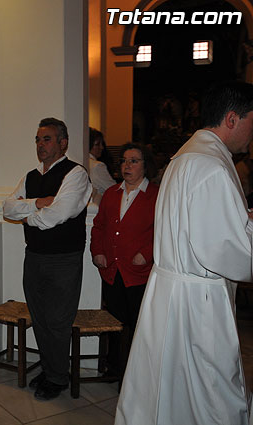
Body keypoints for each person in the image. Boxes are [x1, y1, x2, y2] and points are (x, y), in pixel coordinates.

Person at [115, 81, 253, 425]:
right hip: (199, 300)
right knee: (214, 392)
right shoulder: (212, 167)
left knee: (164, 386)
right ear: (233, 119)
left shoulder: (184, 158)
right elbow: (227, 250)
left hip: (170, 292)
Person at [2, 118, 92, 400]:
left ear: (63, 143)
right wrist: (39, 203)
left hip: (64, 259)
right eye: (38, 140)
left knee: (58, 321)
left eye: (47, 139)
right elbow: (7, 207)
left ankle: (57, 377)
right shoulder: (31, 177)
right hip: (35, 257)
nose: (41, 145)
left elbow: (60, 214)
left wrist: (28, 214)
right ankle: (52, 370)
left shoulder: (75, 174)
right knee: (40, 318)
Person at [90, 143, 158, 375]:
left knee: (139, 324)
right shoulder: (111, 193)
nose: (126, 166)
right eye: (124, 161)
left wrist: (146, 254)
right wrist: (97, 251)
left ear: (145, 166)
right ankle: (115, 368)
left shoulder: (156, 196)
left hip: (139, 274)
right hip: (112, 271)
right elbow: (98, 227)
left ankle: (137, 373)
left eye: (133, 161)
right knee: (114, 323)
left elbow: (165, 230)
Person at [89, 128, 117, 204]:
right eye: (97, 144)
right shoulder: (97, 166)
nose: (101, 147)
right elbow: (114, 189)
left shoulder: (82, 161)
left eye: (102, 144)